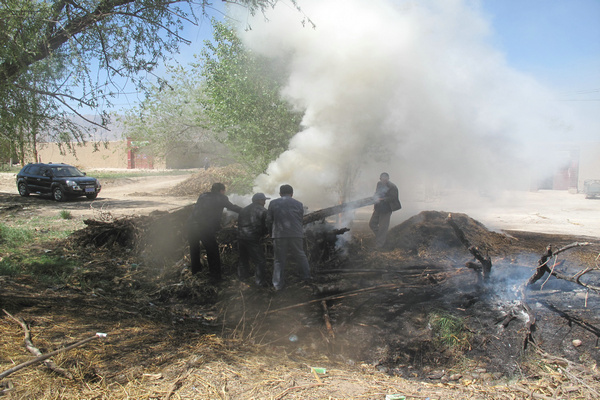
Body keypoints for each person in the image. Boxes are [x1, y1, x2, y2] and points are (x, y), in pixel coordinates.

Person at [186, 182, 242, 281]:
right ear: (221, 191)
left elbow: (207, 211)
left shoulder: (203, 196)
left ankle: (196, 273)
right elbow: (233, 207)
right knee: (212, 250)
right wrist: (247, 210)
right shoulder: (221, 197)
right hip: (203, 227)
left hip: (191, 225)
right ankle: (216, 277)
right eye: (224, 191)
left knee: (194, 250)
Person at [266, 184, 311, 291]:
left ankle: (277, 285)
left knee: (279, 260)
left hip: (279, 235)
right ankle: (306, 278)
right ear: (292, 194)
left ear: (280, 194)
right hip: (296, 234)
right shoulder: (299, 204)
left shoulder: (273, 203)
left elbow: (268, 220)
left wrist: (269, 232)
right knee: (301, 255)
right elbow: (300, 219)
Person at [237, 192, 270, 287]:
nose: (264, 202)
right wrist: (265, 233)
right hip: (252, 238)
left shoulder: (243, 210)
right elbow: (266, 225)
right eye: (263, 200)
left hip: (240, 236)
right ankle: (260, 283)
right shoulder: (263, 211)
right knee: (260, 261)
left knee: (243, 258)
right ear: (259, 200)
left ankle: (242, 279)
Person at [369, 172, 401, 248]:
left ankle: (379, 245)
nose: (384, 181)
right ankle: (381, 238)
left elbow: (393, 197)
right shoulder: (379, 184)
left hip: (386, 209)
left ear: (388, 179)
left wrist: (383, 199)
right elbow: (376, 193)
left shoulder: (393, 187)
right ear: (380, 179)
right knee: (372, 224)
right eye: (382, 179)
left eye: (385, 179)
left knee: (383, 228)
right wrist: (374, 198)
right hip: (378, 208)